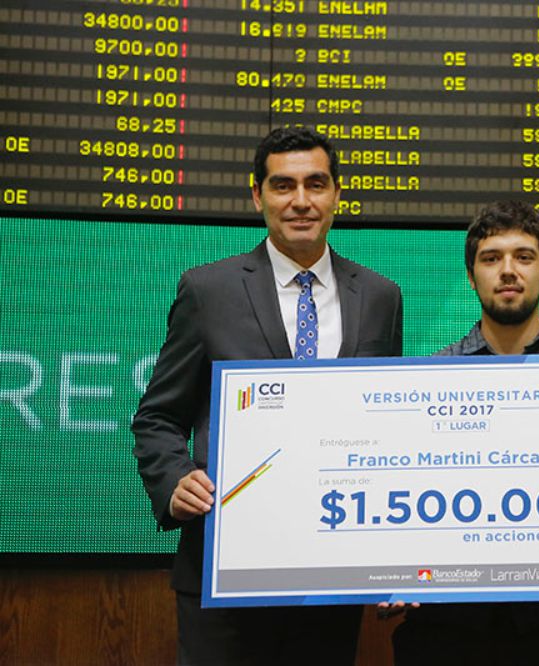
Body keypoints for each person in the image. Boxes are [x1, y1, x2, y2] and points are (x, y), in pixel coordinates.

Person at [132, 126, 403, 665]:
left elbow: (385, 432)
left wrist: (391, 556)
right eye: (283, 186)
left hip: (331, 573)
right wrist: (174, 479)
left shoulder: (379, 297)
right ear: (257, 196)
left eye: (316, 184)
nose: (301, 201)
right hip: (224, 573)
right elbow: (157, 417)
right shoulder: (207, 290)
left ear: (336, 194)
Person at [391, 200, 539, 666]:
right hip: (442, 628)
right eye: (491, 258)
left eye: (523, 257)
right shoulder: (424, 381)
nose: (507, 271)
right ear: (471, 276)